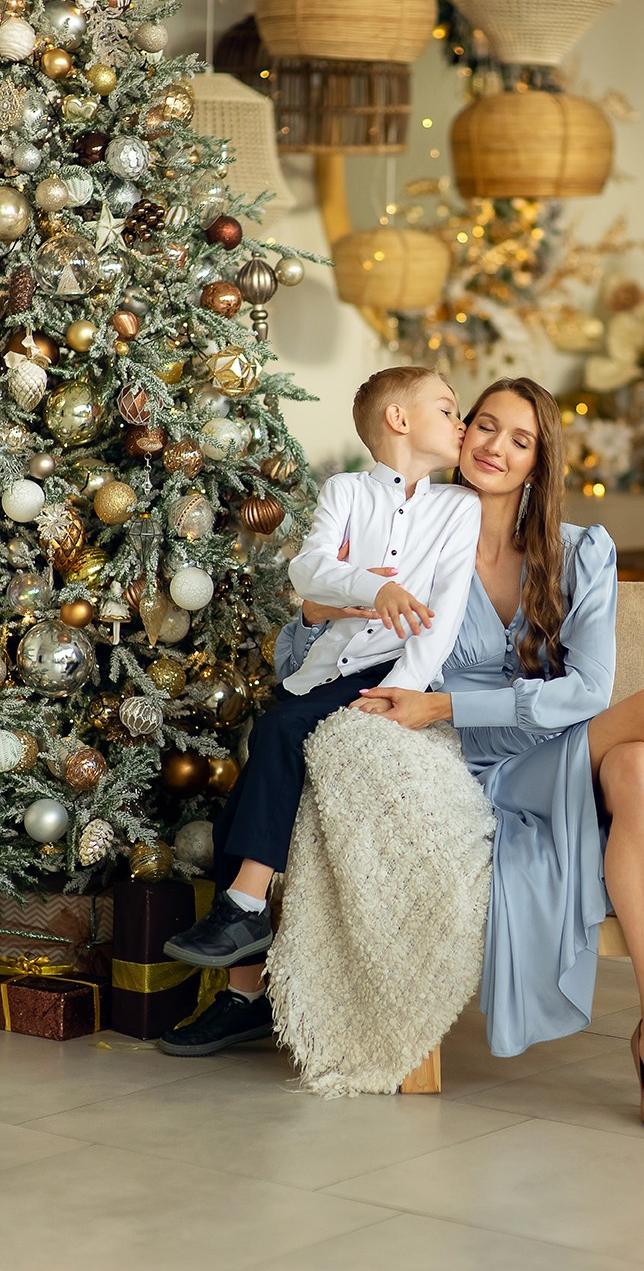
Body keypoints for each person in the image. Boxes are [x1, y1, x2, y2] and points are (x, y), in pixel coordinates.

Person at [297, 377, 644, 1129]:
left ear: (538, 461)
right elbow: (328, 628)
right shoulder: (417, 541)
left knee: (636, 766)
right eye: (483, 425)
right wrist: (321, 608)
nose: (494, 446)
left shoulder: (583, 551)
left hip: (572, 755)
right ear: (459, 437)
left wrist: (447, 701)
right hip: (494, 774)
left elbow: (588, 694)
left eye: (519, 440)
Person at [158, 365, 480, 1057]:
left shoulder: (460, 509)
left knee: (275, 730)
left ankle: (244, 912)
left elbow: (446, 614)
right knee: (236, 806)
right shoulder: (346, 492)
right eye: (449, 410)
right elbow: (307, 572)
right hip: (319, 672)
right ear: (398, 419)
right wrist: (373, 586)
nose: (461, 424)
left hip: (385, 673)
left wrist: (407, 688)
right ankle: (245, 993)